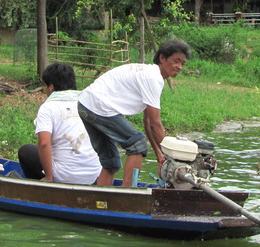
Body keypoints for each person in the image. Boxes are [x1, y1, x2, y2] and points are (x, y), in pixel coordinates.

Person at [78, 39, 191, 187]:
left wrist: (160, 154)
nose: (180, 67)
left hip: (85, 105)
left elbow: (149, 122)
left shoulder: (150, 75)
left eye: (182, 63)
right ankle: (127, 195)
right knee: (137, 145)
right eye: (177, 61)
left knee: (111, 162)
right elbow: (156, 124)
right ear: (162, 58)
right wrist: (172, 157)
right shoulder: (153, 77)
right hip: (98, 106)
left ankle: (101, 199)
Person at [18, 63, 101, 185]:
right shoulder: (88, 104)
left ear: (51, 87)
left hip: (64, 176)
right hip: (94, 175)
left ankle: (41, 190)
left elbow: (44, 143)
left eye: (46, 87)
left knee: (26, 151)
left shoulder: (48, 107)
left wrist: (49, 177)